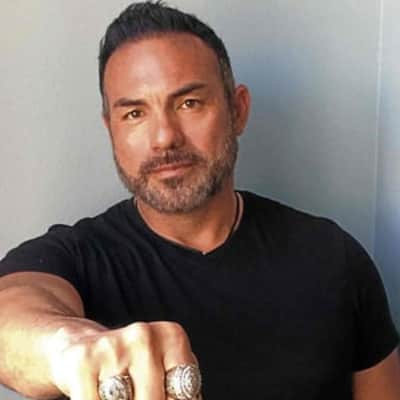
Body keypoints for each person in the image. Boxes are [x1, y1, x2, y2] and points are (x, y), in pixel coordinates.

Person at [0, 1, 399, 399]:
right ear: (111, 129)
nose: (164, 137)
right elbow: (10, 317)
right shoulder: (75, 258)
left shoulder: (334, 259)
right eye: (135, 114)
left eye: (188, 103)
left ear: (237, 110)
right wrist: (69, 348)